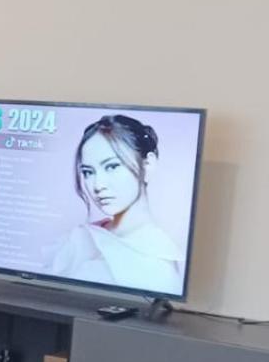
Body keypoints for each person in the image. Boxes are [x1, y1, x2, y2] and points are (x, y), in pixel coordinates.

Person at [49, 114, 184, 294]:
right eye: (88, 172)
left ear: (148, 164)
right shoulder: (81, 237)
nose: (98, 185)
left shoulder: (158, 261)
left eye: (112, 166)